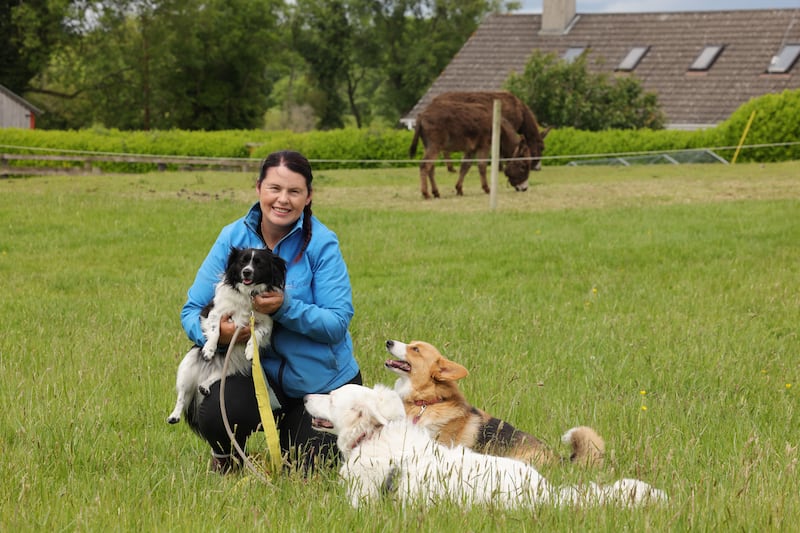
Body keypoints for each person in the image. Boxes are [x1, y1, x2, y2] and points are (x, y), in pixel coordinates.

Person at [180, 150, 362, 473]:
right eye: (274, 189)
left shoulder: (322, 243)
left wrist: (285, 308)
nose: (283, 200)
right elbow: (192, 310)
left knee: (310, 470)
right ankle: (226, 458)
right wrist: (218, 336)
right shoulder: (232, 237)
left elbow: (336, 323)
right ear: (259, 189)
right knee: (214, 409)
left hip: (319, 385)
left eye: (294, 191)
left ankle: (298, 439)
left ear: (309, 197)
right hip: (255, 377)